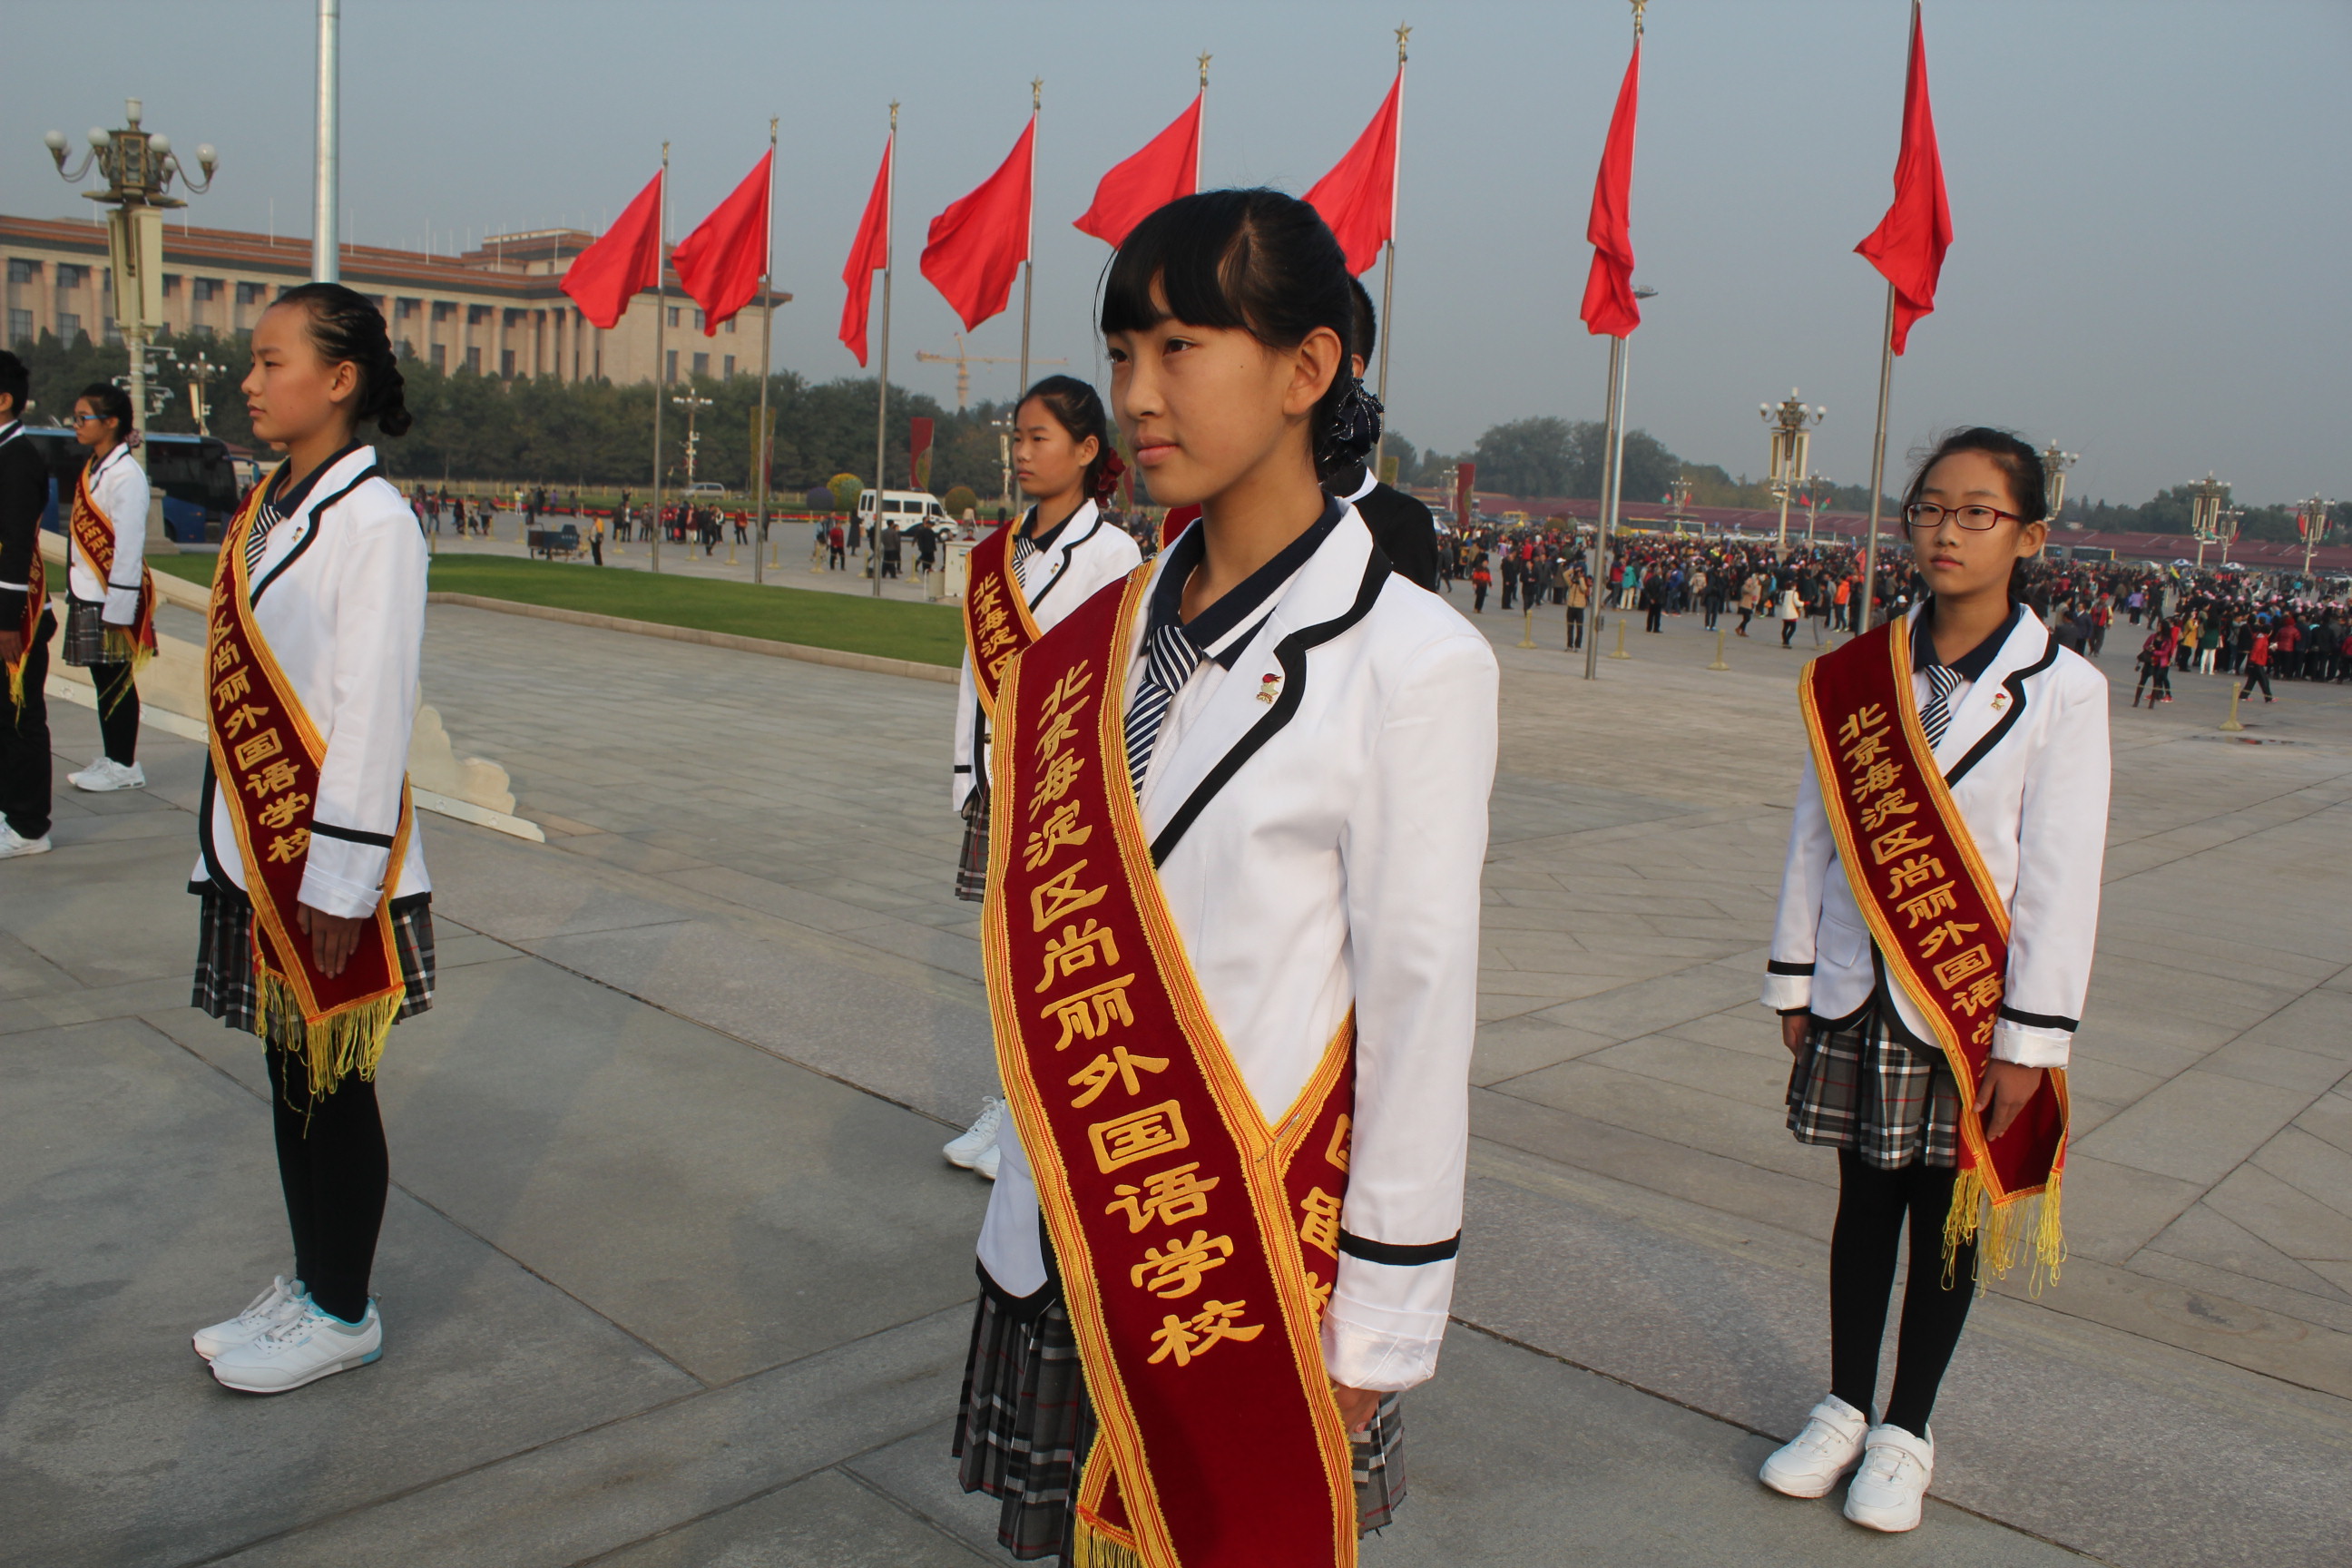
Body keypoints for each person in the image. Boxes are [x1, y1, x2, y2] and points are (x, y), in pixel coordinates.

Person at [951, 187, 1495, 1565]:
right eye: (1124, 350)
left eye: (1181, 347)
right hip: (1079, 1208)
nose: (1138, 394)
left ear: (1309, 369)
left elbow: (1421, 1005)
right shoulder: (1092, 637)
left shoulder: (1414, 663)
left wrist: (1384, 1308)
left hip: (1243, 1250)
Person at [1759, 428, 2107, 1535]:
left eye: (1978, 513)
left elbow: (2060, 881)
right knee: (1863, 1205)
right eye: (1931, 509)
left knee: (1945, 1219)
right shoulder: (1856, 674)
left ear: (2029, 536)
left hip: (1966, 1008)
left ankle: (1907, 1430)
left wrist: (2029, 1042)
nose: (1948, 532)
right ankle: (1844, 1405)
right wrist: (1795, 981)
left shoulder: (2066, 692)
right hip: (1863, 991)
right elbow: (1813, 837)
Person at [183, 283, 436, 1396]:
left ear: (338, 382)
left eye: (269, 359)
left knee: (335, 1088)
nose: (250, 378)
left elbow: (372, 709)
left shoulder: (374, 523)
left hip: (330, 868)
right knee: (291, 1077)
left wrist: (337, 882)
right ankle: (313, 1275)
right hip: (260, 850)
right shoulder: (270, 506)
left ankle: (344, 1309)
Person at [941, 374, 1142, 1181]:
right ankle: (1009, 1103)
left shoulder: (1114, 554)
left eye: (1039, 439)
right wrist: (967, 770)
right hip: (1001, 784)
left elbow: (1116, 683)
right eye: (1016, 439)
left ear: (1088, 451)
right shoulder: (999, 553)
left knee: (1055, 959)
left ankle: (1037, 1123)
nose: (1022, 454)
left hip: (1064, 793)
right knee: (1002, 953)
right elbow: (971, 671)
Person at [58, 381, 155, 794]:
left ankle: (124, 764)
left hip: (111, 595)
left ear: (111, 422)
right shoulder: (95, 467)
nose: (76, 425)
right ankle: (112, 756)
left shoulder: (126, 476)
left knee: (116, 679)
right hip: (87, 591)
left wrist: (119, 608)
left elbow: (130, 546)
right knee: (102, 678)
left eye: (84, 418)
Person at [0, 352, 55, 858]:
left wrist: (7, 620)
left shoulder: (17, 459)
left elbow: (16, 546)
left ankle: (29, 826)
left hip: (16, 618)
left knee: (20, 718)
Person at [2239, 621, 2274, 703]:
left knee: (2252, 680)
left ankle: (2244, 695)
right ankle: (2268, 697)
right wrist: (2252, 660)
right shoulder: (2262, 638)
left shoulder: (2261, 637)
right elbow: (2256, 650)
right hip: (2257, 662)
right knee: (2264, 680)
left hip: (2257, 661)